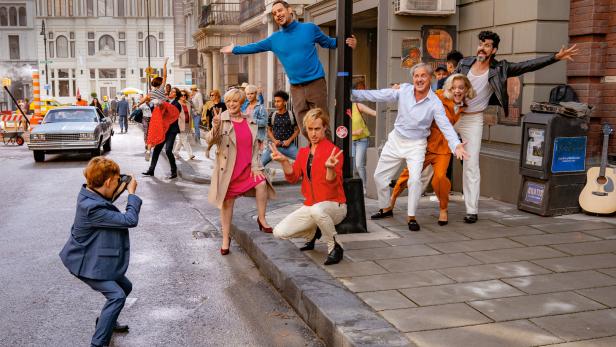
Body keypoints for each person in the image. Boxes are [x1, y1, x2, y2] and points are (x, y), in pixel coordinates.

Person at [453, 30, 578, 223]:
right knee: (430, 151)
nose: (482, 48)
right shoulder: (464, 63)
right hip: (452, 116)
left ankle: (471, 210)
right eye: (480, 44)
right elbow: (448, 85)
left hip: (472, 120)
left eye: (487, 45)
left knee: (471, 165)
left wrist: (555, 57)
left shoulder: (500, 68)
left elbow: (526, 66)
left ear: (493, 50)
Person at [351, 63, 469, 231]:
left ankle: (411, 216)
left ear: (430, 79)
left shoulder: (435, 102)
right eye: (416, 76)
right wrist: (353, 94)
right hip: (396, 140)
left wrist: (456, 145)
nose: (419, 79)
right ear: (413, 78)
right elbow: (380, 95)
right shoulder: (404, 90)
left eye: (423, 76)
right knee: (379, 177)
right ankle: (385, 208)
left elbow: (445, 126)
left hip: (417, 145)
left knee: (414, 180)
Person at [221, 0, 357, 134]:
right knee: (304, 127)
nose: (277, 15)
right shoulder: (274, 39)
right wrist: (235, 49)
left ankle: (327, 154)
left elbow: (330, 43)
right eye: (274, 13)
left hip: (316, 83)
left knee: (322, 123)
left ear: (289, 10)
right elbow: (255, 47)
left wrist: (349, 42)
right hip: (296, 88)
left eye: (280, 10)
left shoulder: (309, 28)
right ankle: (315, 152)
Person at [59, 157, 141, 347]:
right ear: (106, 182)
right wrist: (132, 195)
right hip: (84, 262)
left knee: (125, 287)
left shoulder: (89, 192)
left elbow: (108, 197)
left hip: (92, 254)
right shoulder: (92, 208)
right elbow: (129, 219)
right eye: (115, 181)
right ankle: (98, 343)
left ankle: (106, 322)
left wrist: (120, 184)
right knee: (117, 295)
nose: (117, 183)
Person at [384, 74, 476, 226]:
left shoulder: (465, 104)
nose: (457, 91)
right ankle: (391, 202)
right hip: (426, 145)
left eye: (461, 88)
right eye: (454, 88)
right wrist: (401, 87)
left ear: (466, 89)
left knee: (440, 178)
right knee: (408, 176)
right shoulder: (439, 96)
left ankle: (443, 209)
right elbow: (421, 90)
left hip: (444, 148)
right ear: (449, 89)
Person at [270, 108, 346, 265]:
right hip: (312, 205)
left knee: (317, 210)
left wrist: (330, 168)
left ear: (325, 127)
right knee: (279, 232)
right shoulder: (303, 152)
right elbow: (292, 177)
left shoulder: (334, 152)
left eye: (317, 129)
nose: (313, 134)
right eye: (310, 129)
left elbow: (332, 185)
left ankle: (335, 246)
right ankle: (313, 232)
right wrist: (284, 161)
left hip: (335, 205)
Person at [205, 88, 275, 255]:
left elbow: (255, 149)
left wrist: (256, 166)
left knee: (262, 183)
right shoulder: (221, 119)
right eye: (228, 101)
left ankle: (261, 218)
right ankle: (225, 238)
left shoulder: (249, 120)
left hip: (247, 167)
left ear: (242, 103)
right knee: (227, 205)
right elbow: (210, 140)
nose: (231, 104)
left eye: (235, 101)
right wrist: (215, 126)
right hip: (228, 171)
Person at [143, 87, 181, 179]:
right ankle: (151, 170)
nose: (171, 92)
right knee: (157, 150)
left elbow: (172, 115)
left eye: (173, 92)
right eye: (171, 91)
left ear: (176, 94)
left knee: (168, 150)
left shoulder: (177, 104)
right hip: (163, 130)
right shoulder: (166, 101)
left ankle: (174, 171)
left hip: (172, 130)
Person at [261, 90, 299, 167]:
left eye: (278, 101)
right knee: (261, 163)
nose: (276, 104)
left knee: (302, 160)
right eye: (275, 101)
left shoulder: (291, 115)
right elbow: (269, 129)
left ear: (285, 102)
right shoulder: (272, 115)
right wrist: (274, 140)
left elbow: (297, 129)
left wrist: (289, 140)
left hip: (289, 146)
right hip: (274, 146)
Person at [350, 81, 376, 193]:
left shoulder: (357, 105)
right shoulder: (342, 109)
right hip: (351, 140)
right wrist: (354, 132)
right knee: (352, 166)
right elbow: (342, 130)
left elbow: (375, 113)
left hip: (362, 140)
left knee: (359, 164)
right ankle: (355, 186)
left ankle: (364, 187)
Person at [173, 90, 195, 160]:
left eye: (185, 95)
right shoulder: (177, 104)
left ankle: (175, 152)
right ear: (179, 96)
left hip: (187, 123)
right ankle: (190, 154)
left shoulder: (188, 103)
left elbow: (190, 114)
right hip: (180, 124)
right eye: (182, 95)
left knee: (181, 139)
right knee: (184, 139)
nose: (183, 96)